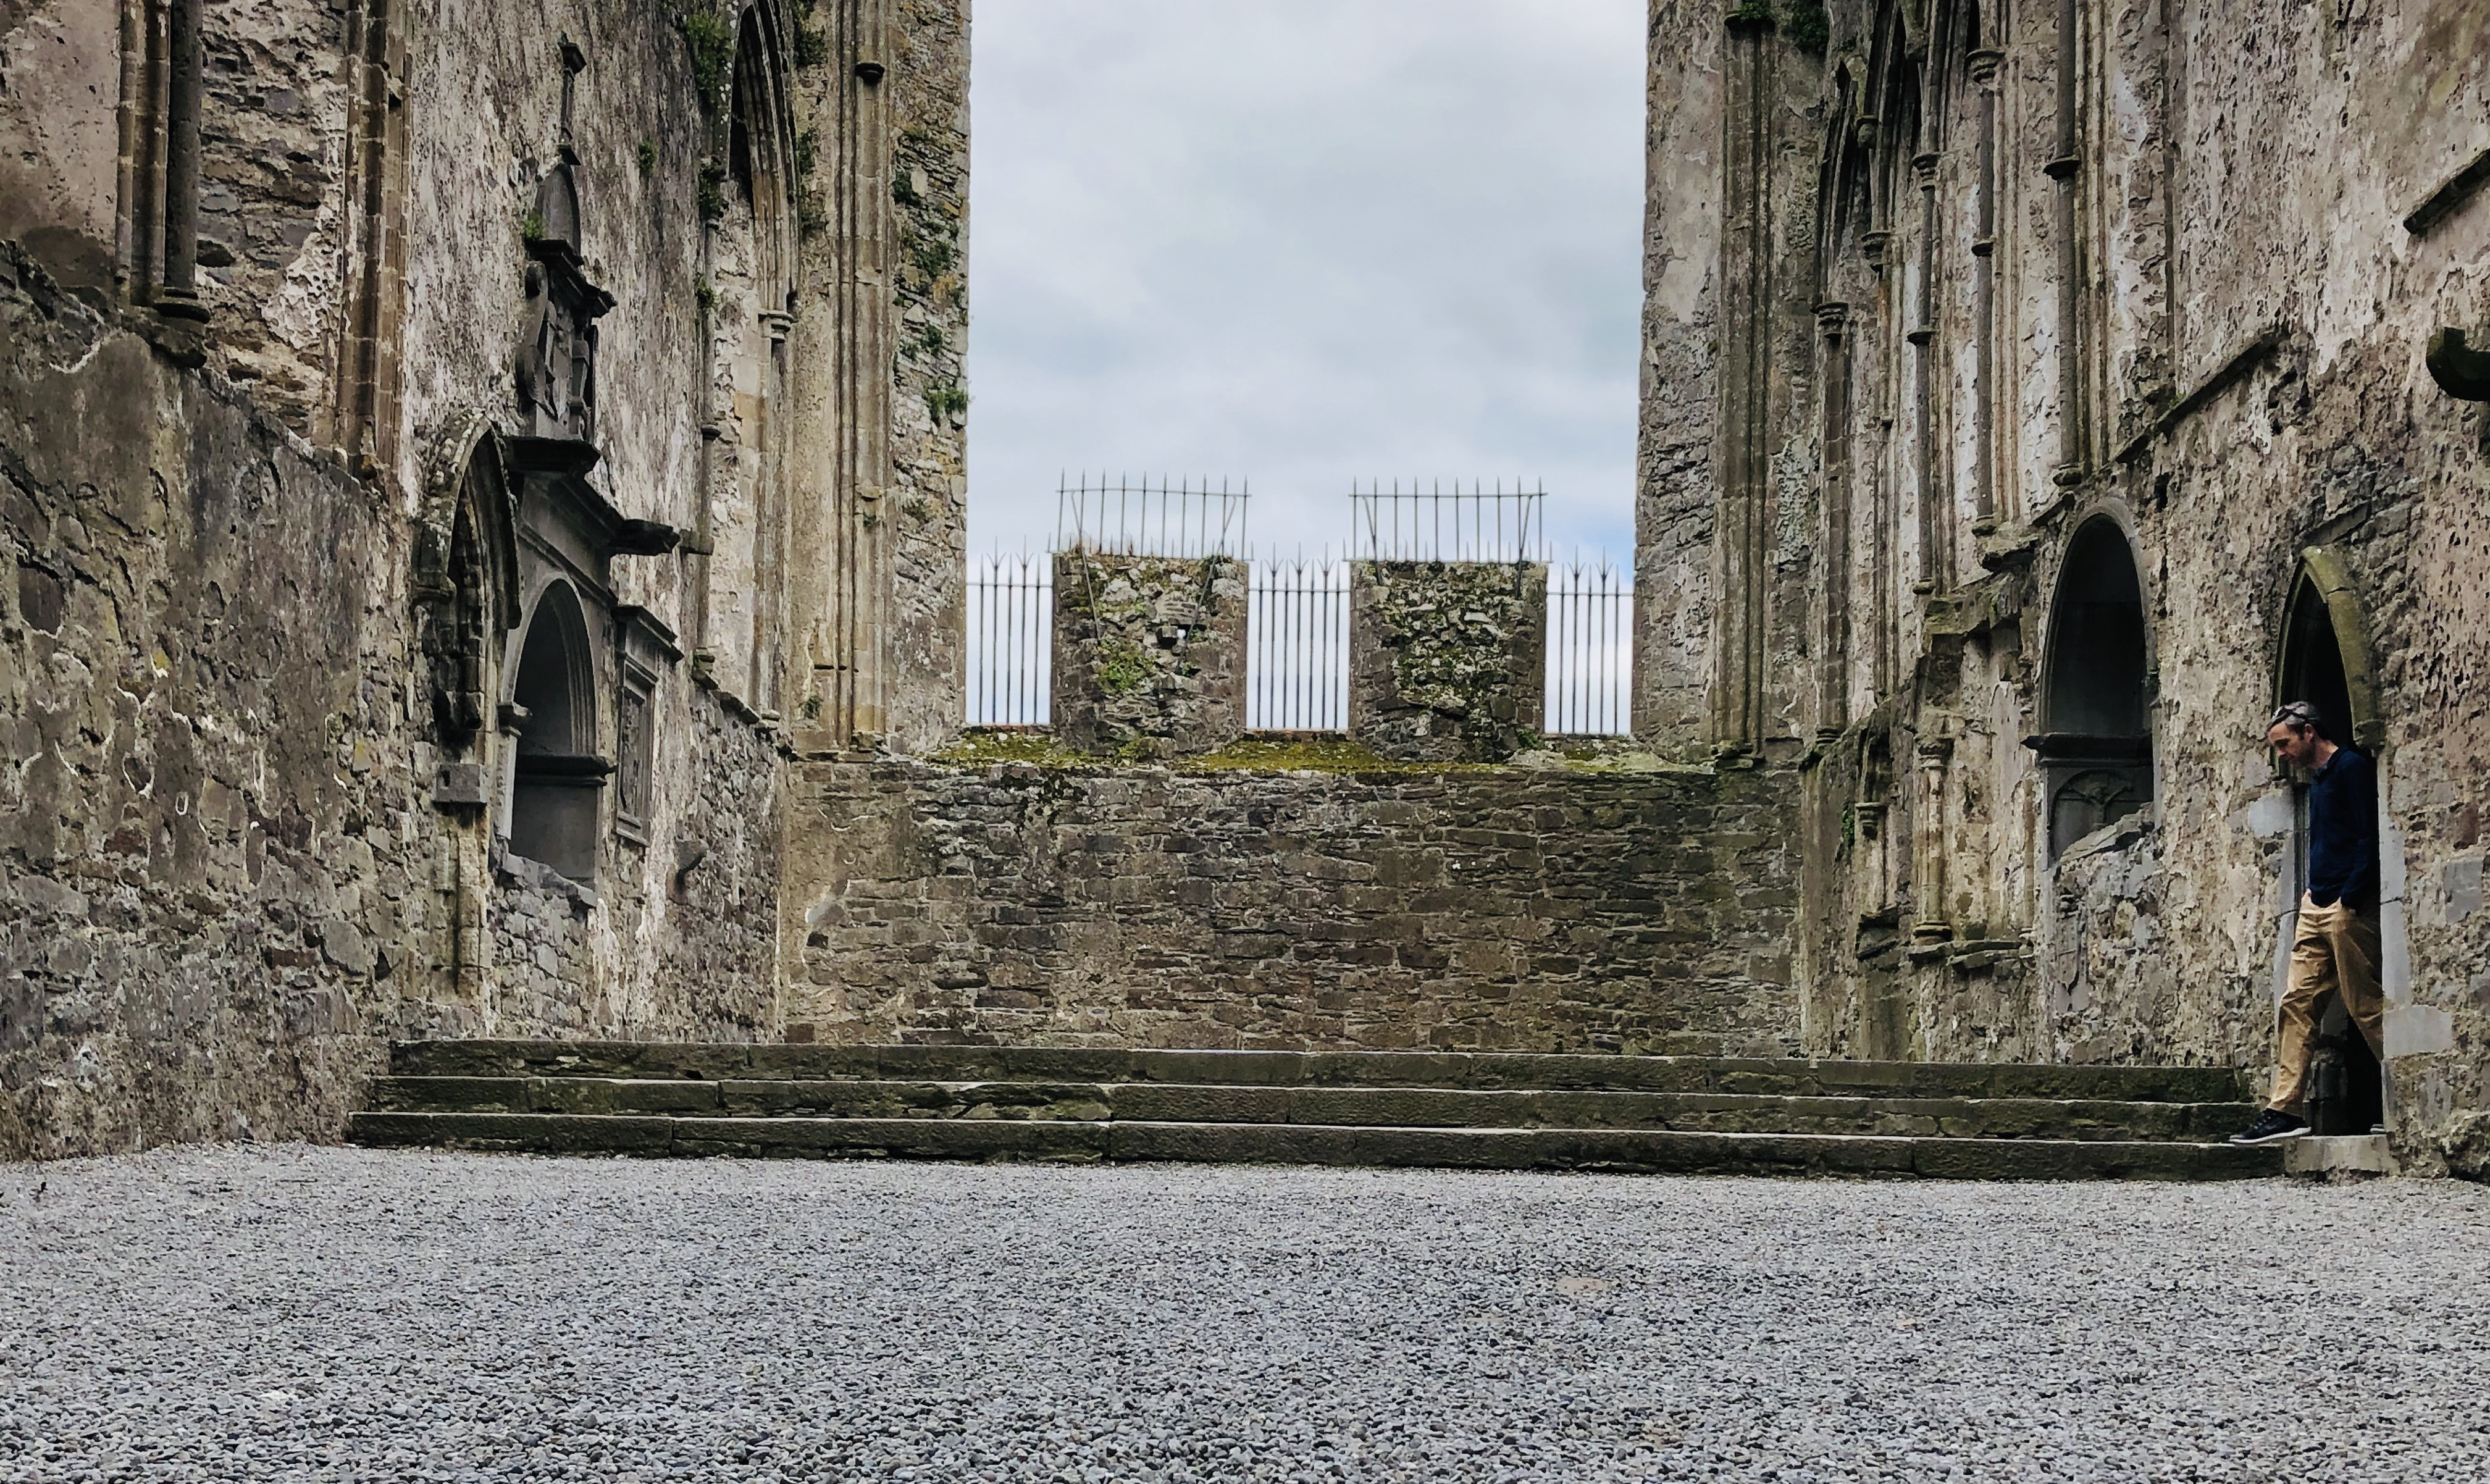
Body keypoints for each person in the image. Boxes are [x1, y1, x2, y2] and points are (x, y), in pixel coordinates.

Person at [2231, 700, 2384, 1144]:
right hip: (2316, 903)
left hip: (2345, 904)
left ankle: (2404, 1096)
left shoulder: (2351, 768)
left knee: (2364, 1004)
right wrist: (2313, 896)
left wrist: (2350, 896)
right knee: (2295, 1003)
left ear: (2309, 732)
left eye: (2284, 744)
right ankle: (2284, 1109)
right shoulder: (2316, 781)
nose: (2281, 754)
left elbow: (2367, 834)